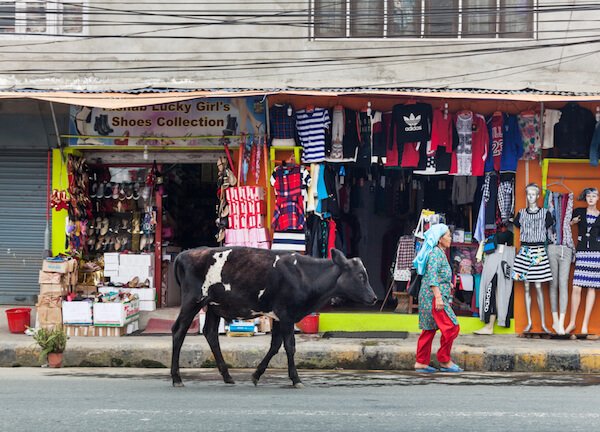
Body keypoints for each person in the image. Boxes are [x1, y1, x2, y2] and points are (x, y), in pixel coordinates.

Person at [413, 223, 463, 373]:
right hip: (434, 298)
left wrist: (448, 284)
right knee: (452, 327)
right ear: (440, 239)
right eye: (447, 235)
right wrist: (439, 297)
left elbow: (436, 275)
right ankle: (444, 360)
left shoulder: (439, 252)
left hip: (430, 296)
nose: (450, 237)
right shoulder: (436, 253)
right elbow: (432, 276)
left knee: (429, 330)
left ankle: (421, 363)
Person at [565, 187, 600, 337]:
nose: (591, 198)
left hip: (595, 253)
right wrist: (572, 222)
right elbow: (568, 224)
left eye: (594, 196)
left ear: (598, 198)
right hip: (582, 252)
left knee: (591, 288)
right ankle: (572, 322)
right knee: (577, 287)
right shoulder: (579, 212)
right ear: (585, 198)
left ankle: (585, 324)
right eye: (588, 196)